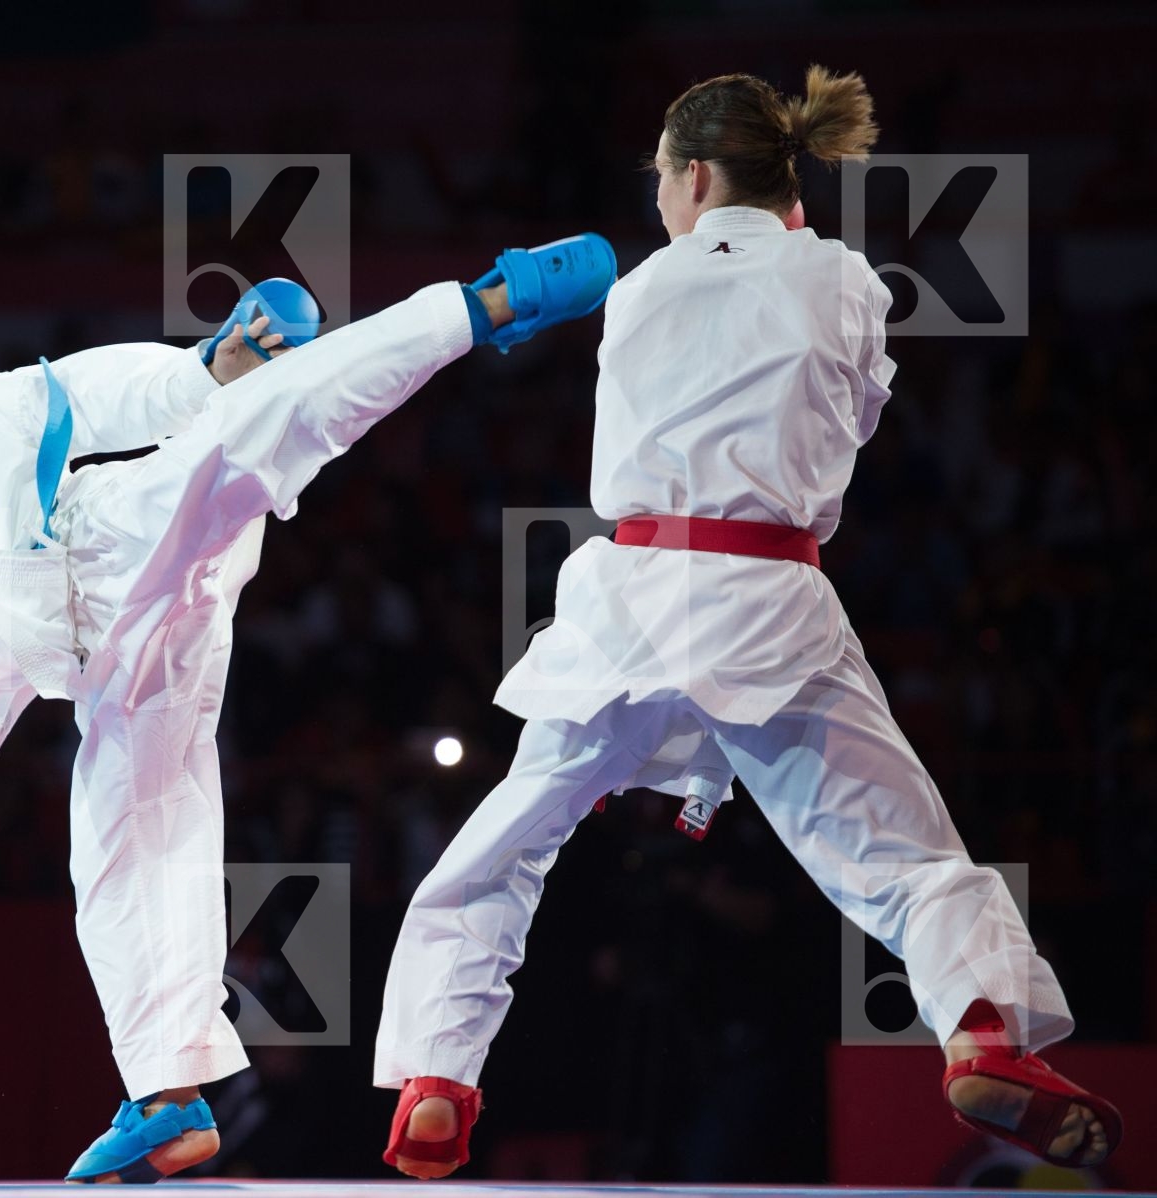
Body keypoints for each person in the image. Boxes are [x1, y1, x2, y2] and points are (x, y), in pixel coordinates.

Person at [374, 66, 1121, 1176]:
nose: (659, 203)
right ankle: (983, 1031)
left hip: (625, 602)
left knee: (505, 846)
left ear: (697, 174)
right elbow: (853, 420)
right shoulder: (846, 280)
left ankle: (438, 1075)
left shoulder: (639, 287)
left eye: (664, 182)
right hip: (767, 599)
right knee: (908, 860)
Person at [0, 238, 616, 1183]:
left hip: (119, 544)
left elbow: (87, 392)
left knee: (251, 429)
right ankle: (169, 1099)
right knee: (121, 854)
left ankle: (486, 303)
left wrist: (204, 369)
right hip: (120, 667)